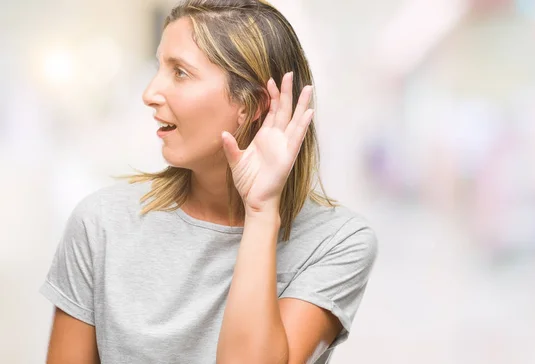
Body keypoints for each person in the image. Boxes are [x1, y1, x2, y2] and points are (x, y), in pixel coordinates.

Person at [40, 1, 378, 363]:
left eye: (180, 72)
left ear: (253, 105)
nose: (150, 93)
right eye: (160, 67)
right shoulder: (100, 224)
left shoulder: (338, 243)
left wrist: (262, 211)